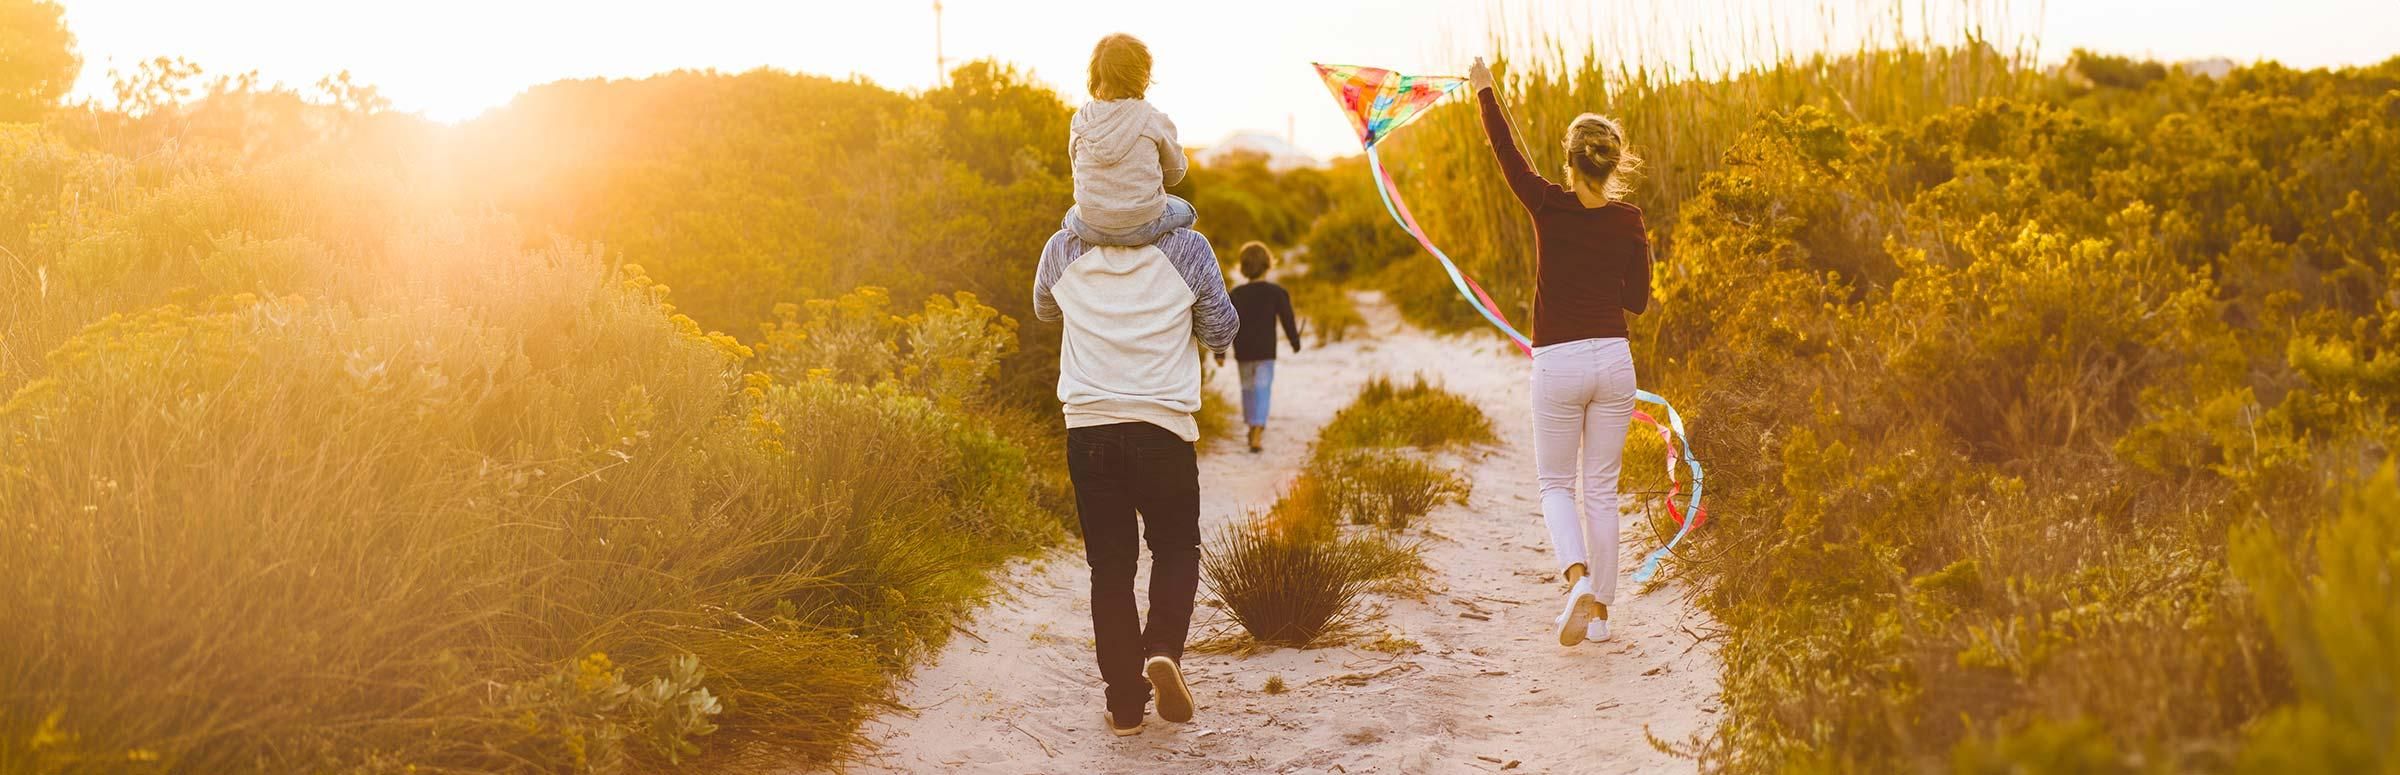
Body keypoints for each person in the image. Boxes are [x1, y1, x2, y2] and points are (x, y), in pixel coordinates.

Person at [1469, 57, 1651, 647]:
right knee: (1602, 490)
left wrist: (1486, 92)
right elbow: (1639, 302)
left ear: (1569, 160)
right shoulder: (1630, 220)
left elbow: (1506, 156)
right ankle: (1600, 615)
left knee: (1555, 485)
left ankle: (1576, 578)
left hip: (1559, 363)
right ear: (1615, 161)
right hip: (1614, 362)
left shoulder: (1546, 203)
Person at [1034, 217, 1238, 736]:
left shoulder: (1063, 247)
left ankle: (1125, 706)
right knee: (1175, 550)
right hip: (1162, 430)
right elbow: (1221, 330)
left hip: (1089, 430)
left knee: (1110, 569)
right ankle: (1164, 649)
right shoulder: (1188, 246)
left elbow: (1044, 308)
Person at [1064, 33, 1196, 247]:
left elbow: (1076, 172)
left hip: (1089, 226)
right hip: (1142, 226)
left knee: (1070, 216)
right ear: (1142, 74)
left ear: (1096, 72)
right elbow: (1175, 175)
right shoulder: (1154, 118)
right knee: (1188, 212)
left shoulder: (1081, 119)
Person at [1219, 242, 1303, 453]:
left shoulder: (1235, 294)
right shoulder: (1277, 292)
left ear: (1243, 267)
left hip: (1243, 352)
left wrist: (1220, 352)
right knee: (1262, 389)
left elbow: (1224, 324)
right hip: (1266, 352)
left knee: (1247, 389)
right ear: (1268, 265)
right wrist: (1295, 342)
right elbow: (1288, 320)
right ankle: (1257, 428)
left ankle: (1250, 424)